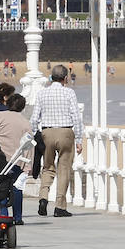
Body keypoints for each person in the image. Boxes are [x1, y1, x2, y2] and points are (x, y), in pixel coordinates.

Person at [30, 64, 83, 218]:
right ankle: (59, 206)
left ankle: (43, 197)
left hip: (47, 132)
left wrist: (36, 134)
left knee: (47, 167)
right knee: (64, 168)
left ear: (51, 77)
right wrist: (79, 139)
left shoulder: (42, 93)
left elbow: (34, 119)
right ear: (65, 78)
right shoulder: (69, 93)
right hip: (66, 132)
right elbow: (76, 117)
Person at [0, 93, 33, 224]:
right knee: (16, 188)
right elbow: (29, 145)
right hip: (17, 160)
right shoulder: (25, 122)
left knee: (1, 187)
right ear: (22, 107)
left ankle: (3, 215)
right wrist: (28, 166)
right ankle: (18, 217)